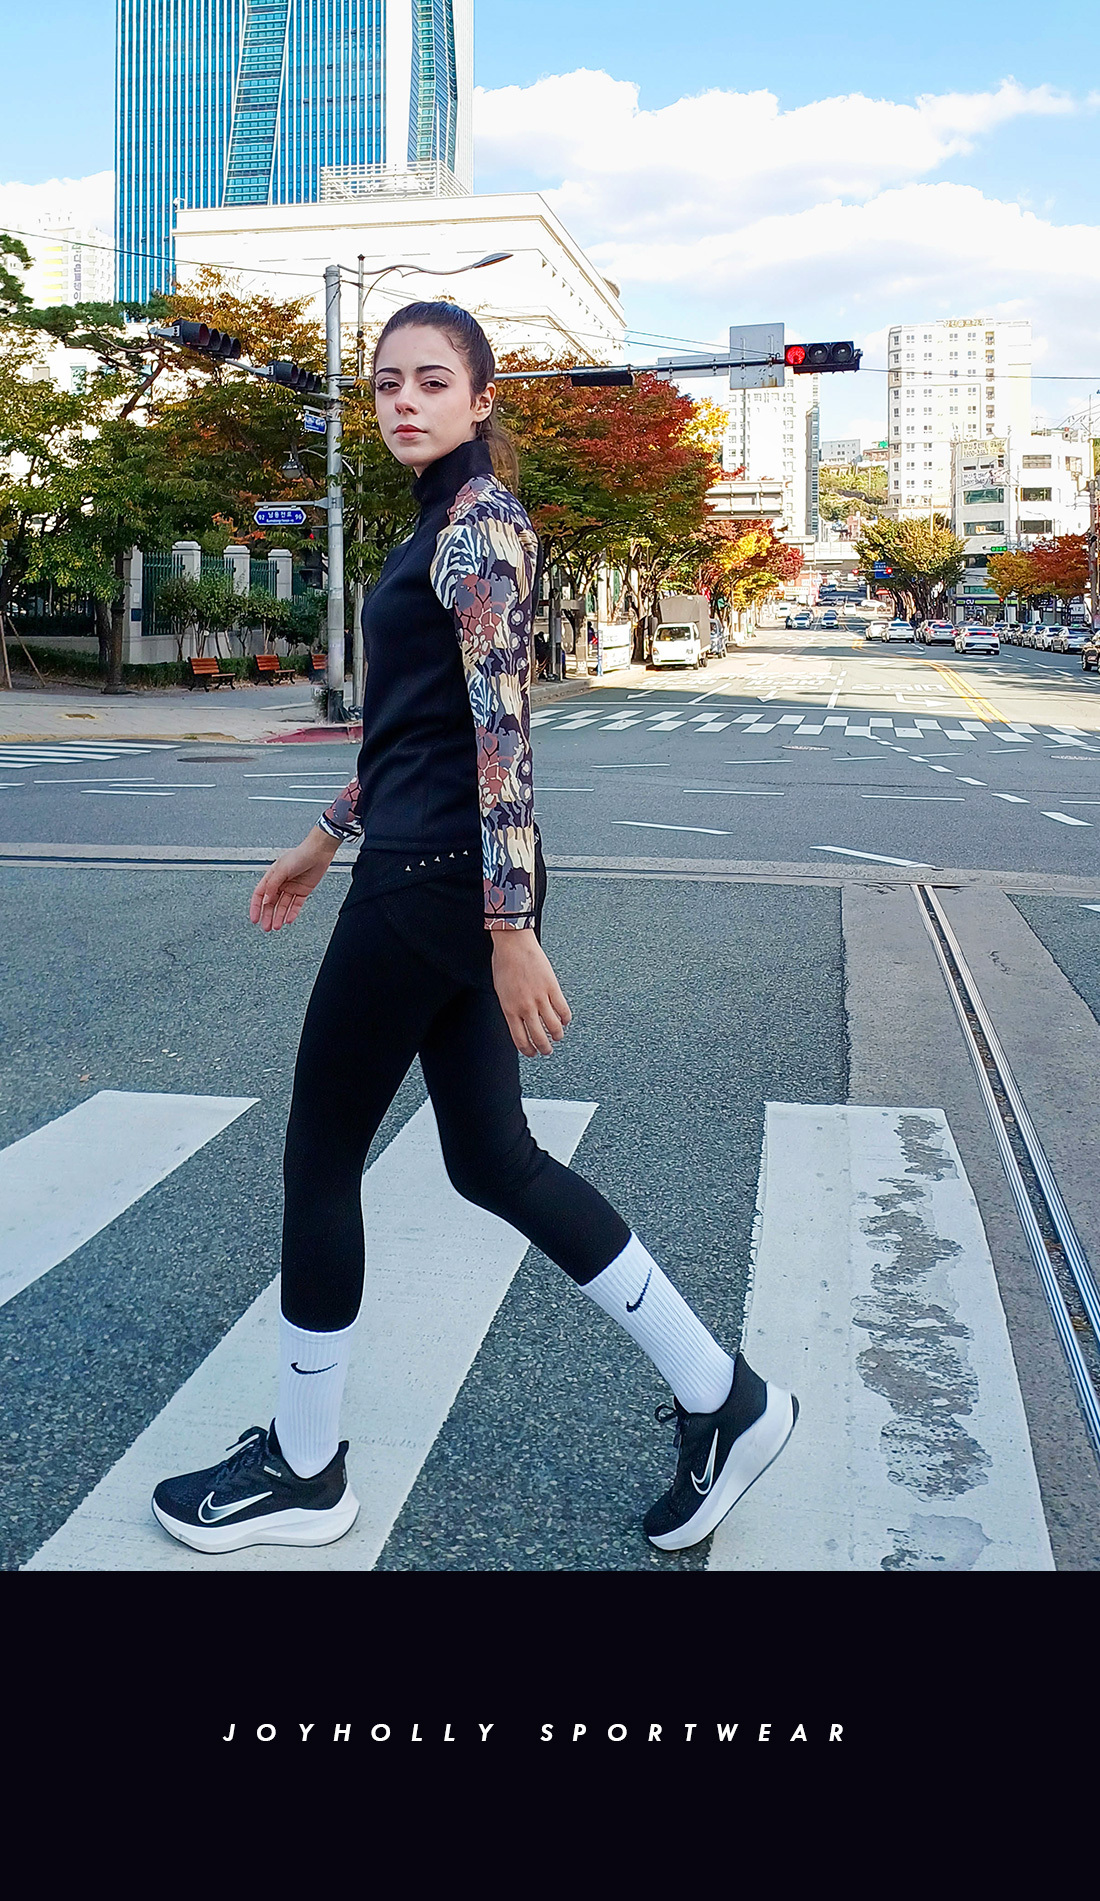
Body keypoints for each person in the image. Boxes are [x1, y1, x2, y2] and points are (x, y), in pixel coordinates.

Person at [151, 302, 797, 1559]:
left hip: (434, 884)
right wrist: (324, 833)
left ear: (480, 399)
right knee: (492, 1161)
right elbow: (417, 724)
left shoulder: (479, 525)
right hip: (427, 868)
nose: (403, 400)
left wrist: (508, 927)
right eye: (385, 381)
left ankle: (305, 1467)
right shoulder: (435, 522)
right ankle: (725, 1398)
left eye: (431, 381)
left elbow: (501, 733)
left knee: (319, 1156)